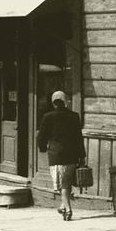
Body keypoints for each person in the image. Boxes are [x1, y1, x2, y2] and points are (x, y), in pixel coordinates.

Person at [37, 90, 85, 221]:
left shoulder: (48, 116)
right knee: (67, 183)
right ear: (65, 102)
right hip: (71, 156)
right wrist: (82, 155)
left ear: (53, 103)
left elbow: (41, 136)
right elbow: (78, 138)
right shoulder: (74, 116)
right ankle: (63, 206)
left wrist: (42, 148)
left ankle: (68, 209)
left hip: (56, 155)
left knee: (62, 185)